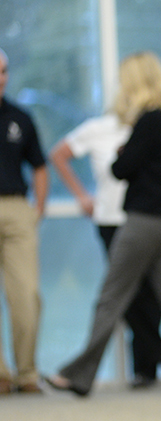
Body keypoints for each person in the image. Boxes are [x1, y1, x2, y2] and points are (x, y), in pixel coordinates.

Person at [45, 51, 161, 396]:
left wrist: (124, 153)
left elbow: (119, 170)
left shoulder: (149, 121)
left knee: (111, 297)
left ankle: (78, 375)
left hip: (142, 221)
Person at [0, 48, 48, 395]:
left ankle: (26, 372)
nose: (0, 78)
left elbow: (40, 166)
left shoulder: (20, 117)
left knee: (27, 294)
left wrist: (38, 209)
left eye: (3, 71)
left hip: (16, 209)